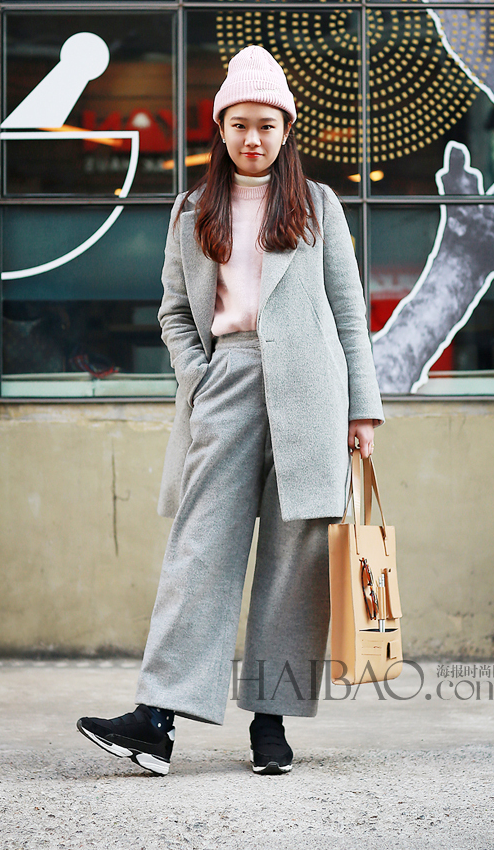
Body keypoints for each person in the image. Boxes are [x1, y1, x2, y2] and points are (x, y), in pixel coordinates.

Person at [77, 45, 384, 776]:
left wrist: (362, 410)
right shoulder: (192, 210)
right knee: (199, 550)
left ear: (286, 130)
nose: (253, 138)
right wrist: (201, 374)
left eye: (267, 125)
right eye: (240, 124)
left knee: (295, 561)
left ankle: (270, 726)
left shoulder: (319, 206)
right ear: (219, 128)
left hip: (313, 393)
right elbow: (173, 313)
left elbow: (349, 314)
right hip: (228, 380)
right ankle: (156, 720)